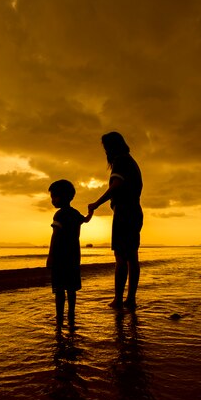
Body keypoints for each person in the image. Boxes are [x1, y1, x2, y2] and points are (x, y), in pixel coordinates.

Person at [89, 132, 143, 309]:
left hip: (124, 213)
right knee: (132, 257)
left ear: (112, 146)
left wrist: (96, 203)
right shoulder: (131, 161)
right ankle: (131, 299)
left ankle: (118, 300)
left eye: (106, 147)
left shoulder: (121, 161)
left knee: (121, 258)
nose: (105, 151)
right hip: (135, 211)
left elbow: (116, 186)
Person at [47, 179, 93, 326]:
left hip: (60, 257)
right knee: (71, 289)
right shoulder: (75, 214)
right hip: (73, 257)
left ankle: (59, 318)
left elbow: (54, 237)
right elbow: (86, 220)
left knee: (60, 289)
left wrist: (50, 256)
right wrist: (91, 211)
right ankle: (71, 314)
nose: (52, 200)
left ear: (64, 196)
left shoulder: (59, 215)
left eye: (54, 196)